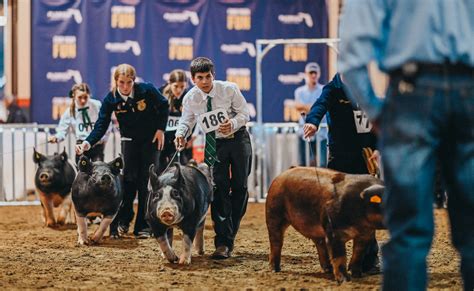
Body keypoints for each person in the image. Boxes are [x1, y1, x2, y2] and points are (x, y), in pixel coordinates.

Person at [338, 1, 473, 290]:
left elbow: (352, 52)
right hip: (469, 92)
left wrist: (376, 112)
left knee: (408, 229)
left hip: (412, 93)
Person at [76, 64, 169, 239]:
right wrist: (88, 142)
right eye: (121, 82)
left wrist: (160, 129)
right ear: (116, 81)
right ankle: (123, 221)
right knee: (128, 181)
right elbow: (101, 125)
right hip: (129, 141)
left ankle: (143, 226)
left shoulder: (146, 90)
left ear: (134, 81)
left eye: (129, 82)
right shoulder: (111, 99)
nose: (125, 87)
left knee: (146, 183)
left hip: (151, 141)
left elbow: (164, 105)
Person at [174, 57, 252, 259]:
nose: (205, 81)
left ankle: (230, 230)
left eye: (208, 76)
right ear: (193, 79)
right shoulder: (190, 98)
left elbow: (245, 113)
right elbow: (187, 121)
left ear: (213, 75)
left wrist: (233, 123)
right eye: (200, 77)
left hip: (238, 140)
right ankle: (223, 242)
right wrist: (181, 134)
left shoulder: (229, 89)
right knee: (218, 190)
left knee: (240, 187)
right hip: (214, 145)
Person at [303, 72, 381, 274]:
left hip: (366, 158)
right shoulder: (332, 88)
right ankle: (333, 258)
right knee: (335, 210)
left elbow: (376, 118)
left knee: (368, 211)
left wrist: (379, 147)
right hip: (339, 160)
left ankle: (369, 260)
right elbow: (320, 105)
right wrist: (312, 121)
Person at [48, 83, 108, 163]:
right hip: (81, 146)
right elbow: (62, 130)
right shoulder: (69, 112)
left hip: (96, 144)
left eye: (85, 97)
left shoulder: (97, 105)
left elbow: (106, 123)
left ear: (89, 95)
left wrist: (104, 138)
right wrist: (56, 138)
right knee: (82, 173)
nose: (83, 100)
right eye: (80, 97)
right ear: (74, 96)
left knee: (98, 172)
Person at [158, 69, 192, 173]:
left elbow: (192, 119)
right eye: (176, 86)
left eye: (182, 87)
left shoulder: (188, 98)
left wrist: (189, 137)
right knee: (159, 167)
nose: (179, 90)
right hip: (162, 137)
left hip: (178, 137)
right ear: (170, 83)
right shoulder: (159, 94)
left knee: (180, 168)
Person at [294, 62, 327, 166]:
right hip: (305, 133)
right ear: (306, 74)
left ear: (319, 74)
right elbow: (298, 107)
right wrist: (317, 107)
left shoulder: (324, 89)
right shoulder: (299, 91)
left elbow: (323, 107)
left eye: (315, 72)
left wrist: (308, 107)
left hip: (321, 134)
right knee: (303, 165)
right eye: (311, 72)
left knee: (322, 165)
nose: (313, 75)